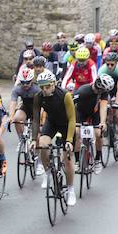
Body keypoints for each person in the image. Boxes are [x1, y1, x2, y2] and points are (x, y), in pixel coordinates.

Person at [31, 71, 76, 206]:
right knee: (43, 145)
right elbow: (36, 119)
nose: (44, 90)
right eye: (42, 87)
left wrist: (68, 140)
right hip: (52, 122)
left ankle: (70, 189)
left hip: (66, 124)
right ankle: (48, 172)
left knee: (67, 158)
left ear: (53, 84)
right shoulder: (38, 96)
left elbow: (72, 118)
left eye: (47, 87)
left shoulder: (64, 95)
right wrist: (34, 139)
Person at [73, 75, 114, 173]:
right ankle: (77, 160)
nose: (99, 92)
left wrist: (103, 122)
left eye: (102, 91)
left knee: (98, 133)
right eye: (100, 90)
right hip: (80, 113)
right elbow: (71, 105)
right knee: (77, 132)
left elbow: (103, 108)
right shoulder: (82, 91)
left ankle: (97, 159)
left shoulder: (104, 93)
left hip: (95, 113)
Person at [96, 52, 118, 157]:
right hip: (106, 87)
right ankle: (108, 124)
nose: (109, 66)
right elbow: (98, 89)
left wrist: (116, 104)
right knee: (104, 106)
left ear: (116, 63)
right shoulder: (102, 70)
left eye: (112, 64)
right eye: (107, 64)